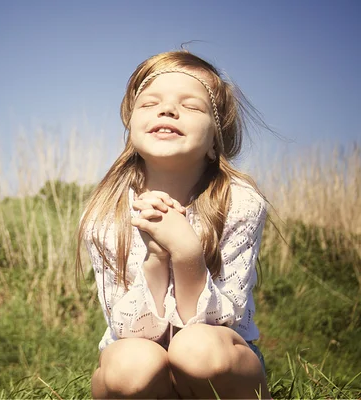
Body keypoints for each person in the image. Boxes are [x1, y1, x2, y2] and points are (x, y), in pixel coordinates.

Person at [76, 50, 271, 399]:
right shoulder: (105, 213)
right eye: (150, 103)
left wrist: (186, 253)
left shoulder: (239, 202)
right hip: (140, 364)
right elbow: (126, 330)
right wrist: (155, 260)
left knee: (195, 349)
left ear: (216, 141)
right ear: (131, 127)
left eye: (192, 106)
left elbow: (223, 324)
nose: (167, 110)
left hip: (219, 367)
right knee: (130, 362)